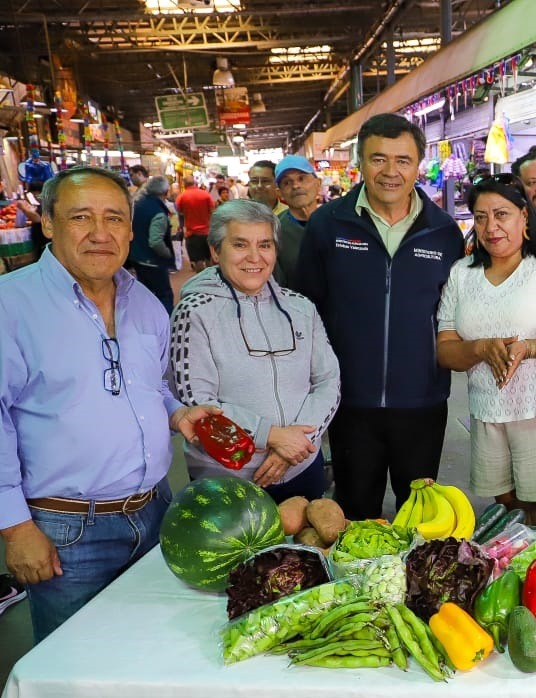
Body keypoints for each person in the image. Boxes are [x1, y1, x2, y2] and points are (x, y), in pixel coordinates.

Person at [0, 166, 217, 641]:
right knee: (75, 662)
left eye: (115, 219)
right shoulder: (10, 306)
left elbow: (150, 386)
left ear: (131, 229)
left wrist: (178, 413)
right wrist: (15, 528)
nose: (101, 234)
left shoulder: (144, 302)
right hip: (67, 530)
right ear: (49, 224)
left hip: (155, 510)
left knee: (154, 647)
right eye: (82, 217)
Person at [294, 113, 465, 520]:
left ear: (418, 165)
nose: (391, 172)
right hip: (349, 402)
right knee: (353, 515)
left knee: (421, 520)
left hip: (422, 403)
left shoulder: (443, 232)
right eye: (378, 159)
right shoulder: (327, 224)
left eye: (403, 160)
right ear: (360, 161)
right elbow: (306, 311)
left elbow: (454, 316)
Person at [436, 175, 536, 525]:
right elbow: (445, 350)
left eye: (501, 214)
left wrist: (530, 347)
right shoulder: (463, 273)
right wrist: (479, 347)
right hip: (488, 411)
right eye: (480, 217)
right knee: (506, 512)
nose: (491, 227)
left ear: (524, 215)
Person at [170, 200, 340, 503]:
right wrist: (273, 436)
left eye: (265, 245)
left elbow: (328, 379)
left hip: (301, 467)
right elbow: (196, 401)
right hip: (226, 479)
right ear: (214, 250)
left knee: (303, 549)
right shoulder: (194, 311)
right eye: (240, 244)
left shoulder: (300, 307)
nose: (254, 257)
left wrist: (298, 444)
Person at [273, 155, 322, 288]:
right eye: (287, 183)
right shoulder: (274, 231)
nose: (295, 186)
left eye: (302, 178)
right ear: (280, 193)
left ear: (318, 184)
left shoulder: (337, 222)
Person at [129, 176, 176, 313]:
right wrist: (167, 254)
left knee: (146, 295)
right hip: (153, 261)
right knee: (164, 295)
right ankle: (167, 326)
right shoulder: (158, 212)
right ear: (165, 192)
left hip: (137, 258)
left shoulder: (138, 204)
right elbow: (155, 241)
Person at [175, 175, 216, 272]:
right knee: (209, 257)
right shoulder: (205, 195)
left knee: (198, 260)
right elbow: (213, 210)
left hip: (192, 233)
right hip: (207, 231)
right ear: (195, 183)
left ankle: (201, 281)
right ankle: (212, 278)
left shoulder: (182, 196)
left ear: (184, 184)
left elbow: (178, 211)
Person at [14, 181, 48, 260]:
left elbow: (37, 219)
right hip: (39, 241)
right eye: (34, 195)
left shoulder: (47, 205)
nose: (36, 197)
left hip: (44, 241)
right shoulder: (40, 205)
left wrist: (23, 208)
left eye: (37, 194)